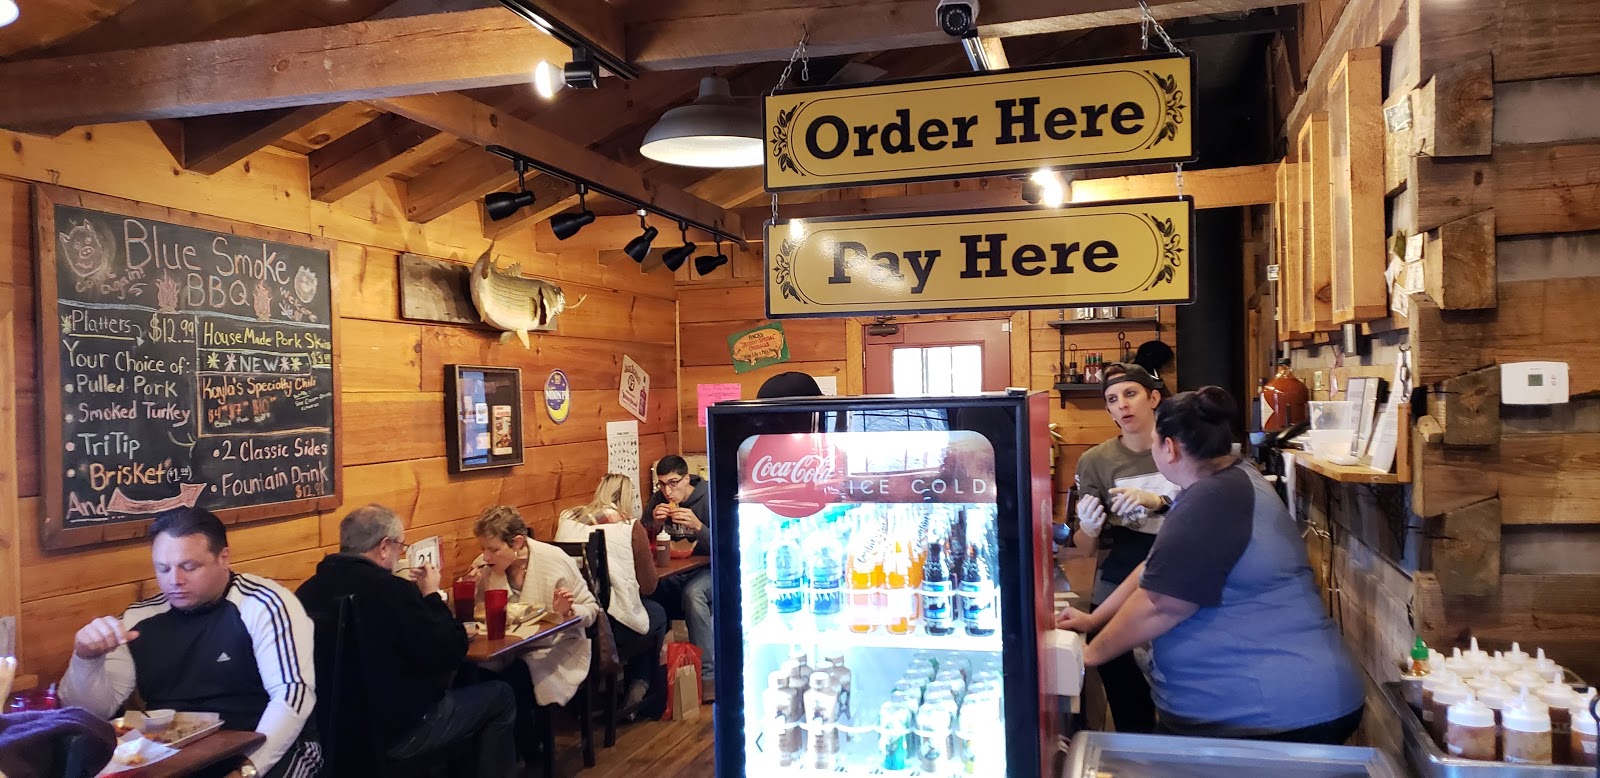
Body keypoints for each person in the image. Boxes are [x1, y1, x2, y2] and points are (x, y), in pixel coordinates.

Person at [1058, 387, 1365, 743]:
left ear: (1169, 448)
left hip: (1275, 713)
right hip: (1263, 708)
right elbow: (1152, 571)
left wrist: (1089, 654)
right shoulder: (1225, 480)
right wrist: (1094, 620)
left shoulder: (1214, 498)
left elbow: (1160, 604)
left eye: (1155, 441)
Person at [60, 507, 322, 778]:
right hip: (178, 756)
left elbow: (292, 695)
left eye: (189, 567)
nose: (175, 581)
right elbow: (92, 711)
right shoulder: (138, 619)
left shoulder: (263, 604)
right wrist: (86, 658)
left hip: (272, 747)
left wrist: (246, 769)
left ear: (223, 558)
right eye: (163, 569)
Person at [294, 505, 516, 778]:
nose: (399, 556)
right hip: (396, 734)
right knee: (501, 696)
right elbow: (447, 653)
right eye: (400, 547)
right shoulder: (391, 590)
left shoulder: (306, 592)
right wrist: (432, 594)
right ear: (384, 546)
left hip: (330, 737)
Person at [1056, 362, 1177, 735]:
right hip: (1121, 572)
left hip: (1178, 573)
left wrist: (1161, 502)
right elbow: (1084, 548)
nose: (1122, 404)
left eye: (1130, 393)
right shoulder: (1096, 460)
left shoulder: (1179, 444)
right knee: (1127, 699)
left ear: (1153, 398)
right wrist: (1090, 527)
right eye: (1112, 399)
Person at [554, 474, 667, 719]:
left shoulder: (567, 519)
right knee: (657, 613)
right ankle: (639, 688)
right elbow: (648, 586)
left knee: (645, 611)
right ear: (628, 497)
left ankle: (599, 692)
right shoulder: (629, 526)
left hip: (571, 621)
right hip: (609, 629)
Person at [471, 506, 601, 710]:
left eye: (494, 550)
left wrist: (568, 611)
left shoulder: (554, 559)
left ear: (517, 542)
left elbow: (592, 609)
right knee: (472, 676)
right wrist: (469, 591)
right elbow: (477, 614)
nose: (486, 557)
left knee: (513, 681)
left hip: (554, 647)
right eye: (483, 549)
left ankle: (529, 732)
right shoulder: (484, 567)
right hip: (505, 650)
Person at [643, 455, 715, 701]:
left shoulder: (708, 497)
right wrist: (653, 524)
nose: (668, 491)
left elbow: (729, 545)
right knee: (647, 591)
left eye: (673, 483)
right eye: (662, 484)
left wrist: (699, 527)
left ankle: (707, 677)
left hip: (710, 570)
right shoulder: (658, 500)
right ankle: (649, 679)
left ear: (686, 479)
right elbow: (642, 541)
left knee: (693, 594)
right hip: (675, 571)